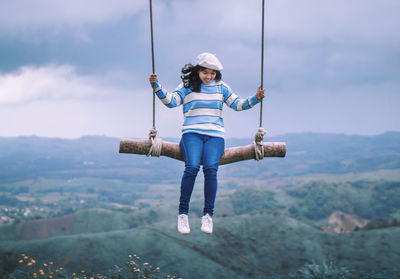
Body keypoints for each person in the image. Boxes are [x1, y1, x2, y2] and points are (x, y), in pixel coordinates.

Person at [149, 52, 265, 235]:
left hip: (215, 135)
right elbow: (171, 102)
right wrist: (156, 86)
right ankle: (183, 214)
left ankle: (208, 216)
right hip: (192, 133)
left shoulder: (221, 88)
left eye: (212, 73)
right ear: (198, 71)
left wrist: (255, 99)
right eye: (205, 72)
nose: (209, 76)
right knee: (192, 167)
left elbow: (237, 104)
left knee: (211, 169)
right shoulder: (187, 86)